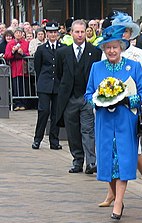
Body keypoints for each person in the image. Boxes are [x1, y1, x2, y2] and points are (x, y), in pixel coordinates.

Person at [85, 25, 142, 220]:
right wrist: (97, 100)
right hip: (104, 122)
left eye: (115, 47)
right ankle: (114, 195)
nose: (111, 51)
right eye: (108, 48)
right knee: (107, 163)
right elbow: (88, 94)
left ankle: (119, 203)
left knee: (123, 161)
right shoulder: (97, 67)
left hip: (125, 121)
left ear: (121, 47)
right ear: (104, 50)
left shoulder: (133, 66)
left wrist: (127, 100)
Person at [99, 11, 142, 206]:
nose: (122, 34)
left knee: (134, 152)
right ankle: (112, 193)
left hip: (132, 110)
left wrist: (141, 107)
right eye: (119, 31)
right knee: (111, 152)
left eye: (125, 31)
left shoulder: (138, 55)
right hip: (109, 113)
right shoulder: (106, 52)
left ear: (130, 34)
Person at [55, 19, 102, 174]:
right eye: (77, 32)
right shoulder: (62, 53)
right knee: (73, 131)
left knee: (88, 130)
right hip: (70, 98)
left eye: (82, 32)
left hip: (87, 97)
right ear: (71, 33)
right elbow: (59, 75)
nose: (80, 35)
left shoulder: (94, 51)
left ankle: (91, 162)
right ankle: (77, 160)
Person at [31, 22, 65, 150]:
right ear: (46, 34)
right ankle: (37, 139)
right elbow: (38, 68)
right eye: (50, 32)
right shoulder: (41, 49)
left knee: (56, 114)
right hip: (45, 84)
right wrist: (41, 82)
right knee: (44, 111)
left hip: (57, 85)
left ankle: (54, 140)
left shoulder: (63, 47)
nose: (53, 34)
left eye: (55, 32)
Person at [4, 27, 30, 111]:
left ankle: (24, 104)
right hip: (14, 68)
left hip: (23, 68)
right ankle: (17, 103)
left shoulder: (26, 43)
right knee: (15, 86)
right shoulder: (10, 43)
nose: (18, 34)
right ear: (14, 34)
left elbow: (29, 53)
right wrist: (12, 51)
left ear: (22, 34)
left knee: (24, 86)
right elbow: (6, 55)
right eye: (17, 32)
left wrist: (23, 53)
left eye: (20, 32)